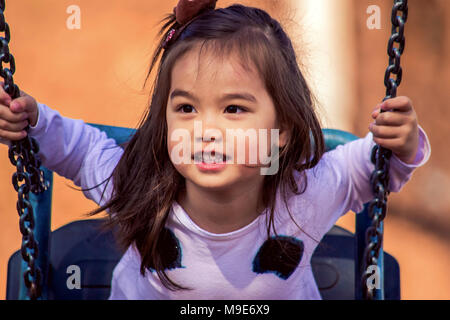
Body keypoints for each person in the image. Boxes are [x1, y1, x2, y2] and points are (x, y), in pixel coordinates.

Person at [0, 1, 430, 299]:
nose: (206, 130)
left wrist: (398, 138)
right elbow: (78, 149)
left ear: (282, 131)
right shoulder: (141, 186)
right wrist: (31, 118)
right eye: (186, 107)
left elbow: (370, 165)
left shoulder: (303, 193)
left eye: (233, 109)